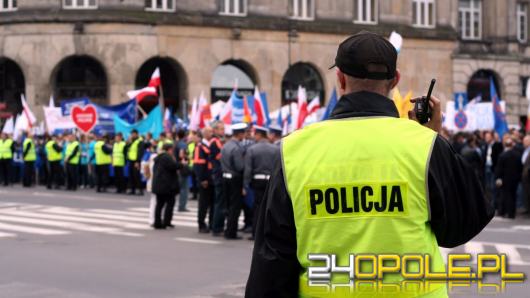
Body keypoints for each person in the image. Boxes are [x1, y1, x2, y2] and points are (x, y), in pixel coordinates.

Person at [246, 31, 494, 297]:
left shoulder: (293, 149)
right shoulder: (425, 146)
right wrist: (432, 138)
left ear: (340, 78)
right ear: (395, 80)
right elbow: (461, 227)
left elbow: (272, 263)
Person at [243, 126, 278, 241]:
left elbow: (248, 169)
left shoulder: (252, 149)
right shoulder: (275, 149)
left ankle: (255, 234)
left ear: (259, 135)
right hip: (271, 181)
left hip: (257, 181)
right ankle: (268, 234)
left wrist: (245, 184)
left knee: (257, 208)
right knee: (270, 207)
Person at [220, 123, 247, 240]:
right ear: (240, 134)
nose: (245, 135)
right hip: (235, 179)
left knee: (228, 205)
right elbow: (240, 166)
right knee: (235, 207)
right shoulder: (236, 148)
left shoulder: (226, 145)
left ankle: (227, 230)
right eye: (244, 133)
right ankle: (231, 232)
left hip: (225, 177)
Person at [152, 143, 181, 229]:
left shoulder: (159, 157)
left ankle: (158, 222)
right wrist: (182, 164)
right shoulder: (166, 157)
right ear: (169, 149)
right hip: (166, 185)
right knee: (170, 203)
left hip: (159, 184)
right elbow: (173, 166)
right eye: (172, 150)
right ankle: (166, 222)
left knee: (159, 204)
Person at [496, 134, 523, 219]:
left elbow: (499, 169)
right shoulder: (518, 155)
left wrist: (498, 178)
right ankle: (512, 213)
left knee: (506, 195)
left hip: (505, 179)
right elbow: (520, 167)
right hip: (515, 179)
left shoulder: (502, 155)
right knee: (513, 195)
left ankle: (505, 211)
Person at [193, 127, 215, 233]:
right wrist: (202, 179)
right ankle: (201, 224)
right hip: (205, 180)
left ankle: (211, 223)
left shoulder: (212, 144)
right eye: (210, 131)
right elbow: (198, 164)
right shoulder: (200, 147)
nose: (212, 133)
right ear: (205, 134)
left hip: (213, 179)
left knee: (213, 203)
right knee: (203, 204)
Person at [210, 121, 226, 236]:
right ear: (215, 130)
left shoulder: (218, 141)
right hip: (219, 174)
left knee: (219, 201)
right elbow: (221, 156)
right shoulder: (215, 142)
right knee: (220, 202)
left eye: (223, 129)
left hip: (218, 174)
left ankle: (216, 226)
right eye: (221, 129)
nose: (223, 131)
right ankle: (217, 228)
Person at [175, 129, 191, 212]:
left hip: (176, 167)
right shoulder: (183, 144)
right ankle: (182, 206)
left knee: (178, 187)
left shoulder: (176, 143)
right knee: (184, 188)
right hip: (182, 168)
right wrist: (187, 158)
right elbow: (181, 154)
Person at [126, 129, 144, 196]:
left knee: (137, 176)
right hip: (131, 160)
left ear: (136, 134)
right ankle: (132, 190)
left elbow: (140, 152)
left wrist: (137, 161)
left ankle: (140, 190)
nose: (132, 135)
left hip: (136, 161)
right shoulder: (131, 141)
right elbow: (127, 148)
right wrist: (128, 142)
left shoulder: (139, 141)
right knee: (131, 176)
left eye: (133, 134)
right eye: (131, 134)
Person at [522, 135, 530, 214]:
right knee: (526, 193)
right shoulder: (525, 150)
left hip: (528, 175)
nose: (523, 143)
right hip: (525, 175)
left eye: (525, 141)